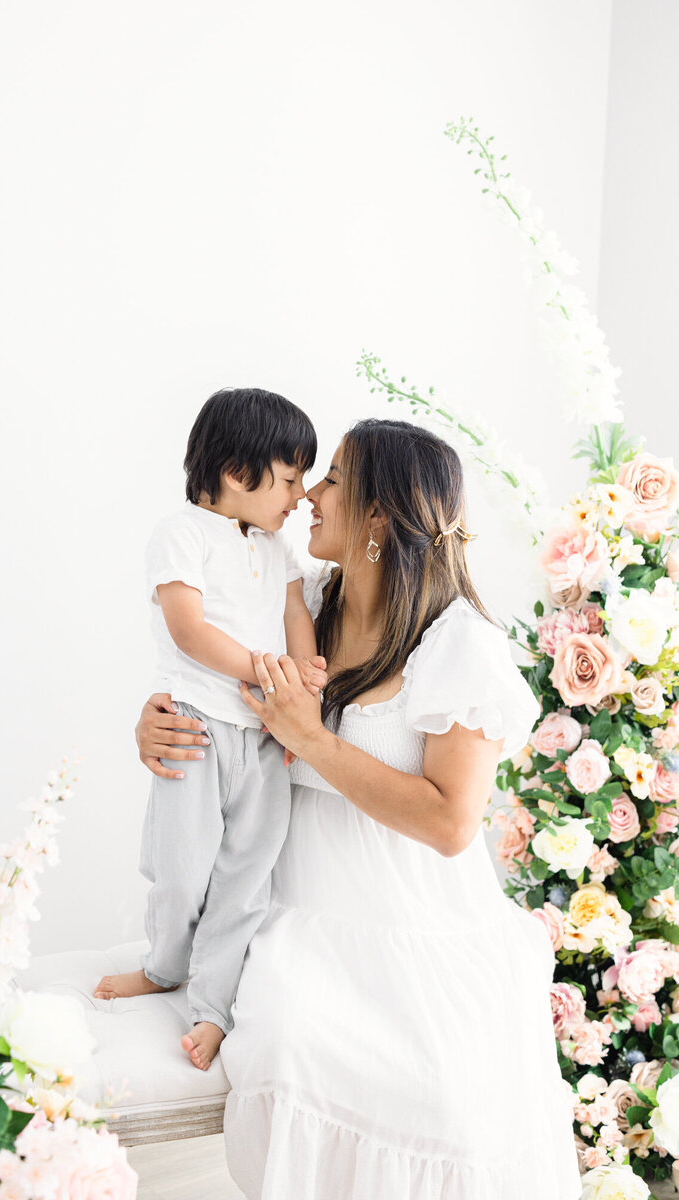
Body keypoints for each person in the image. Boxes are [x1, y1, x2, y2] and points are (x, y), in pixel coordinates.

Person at [134, 417, 582, 1199]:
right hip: (295, 920)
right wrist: (159, 720)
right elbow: (207, 672)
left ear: (380, 513)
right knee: (294, 1059)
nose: (309, 493)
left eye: (334, 478)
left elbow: (451, 823)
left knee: (440, 1114)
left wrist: (309, 737)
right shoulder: (295, 602)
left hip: (415, 931)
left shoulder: (457, 644)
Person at [95, 387, 327, 1071]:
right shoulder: (181, 533)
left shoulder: (277, 546)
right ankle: (165, 964)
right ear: (234, 470)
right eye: (289, 478)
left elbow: (294, 615)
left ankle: (213, 1005)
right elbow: (188, 630)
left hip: (264, 733)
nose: (300, 495)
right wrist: (266, 671)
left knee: (246, 876)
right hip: (196, 727)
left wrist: (306, 668)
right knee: (180, 866)